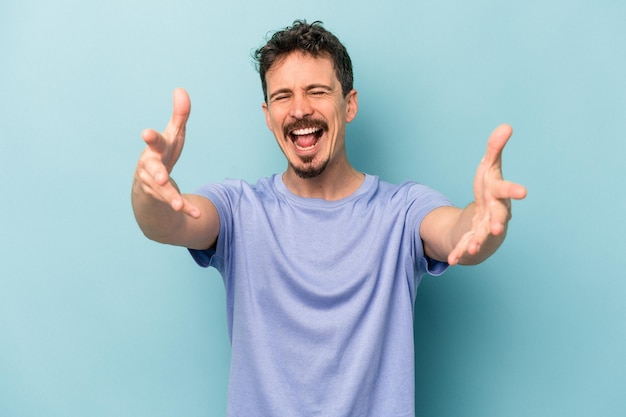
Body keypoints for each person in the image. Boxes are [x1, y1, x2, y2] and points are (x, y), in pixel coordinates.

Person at [132, 20, 527, 417]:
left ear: (349, 104)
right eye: (283, 96)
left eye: (317, 92)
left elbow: (458, 233)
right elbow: (167, 222)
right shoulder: (239, 208)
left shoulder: (401, 210)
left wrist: (485, 218)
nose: (300, 109)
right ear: (268, 116)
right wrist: (147, 189)